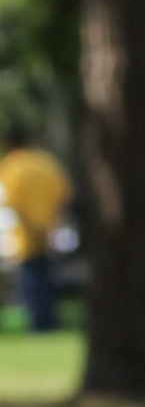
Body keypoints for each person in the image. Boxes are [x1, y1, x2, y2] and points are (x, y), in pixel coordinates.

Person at [1, 125, 72, 333]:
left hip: (26, 233)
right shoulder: (45, 162)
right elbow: (63, 195)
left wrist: (31, 228)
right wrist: (52, 224)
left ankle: (40, 323)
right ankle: (49, 321)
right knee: (47, 277)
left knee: (31, 279)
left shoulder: (11, 165)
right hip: (49, 231)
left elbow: (13, 203)